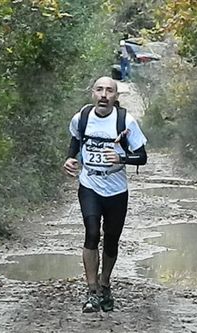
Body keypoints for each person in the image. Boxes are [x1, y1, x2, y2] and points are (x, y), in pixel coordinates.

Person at [63, 76, 147, 313]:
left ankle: (105, 284)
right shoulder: (81, 118)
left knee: (111, 239)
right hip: (89, 184)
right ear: (92, 93)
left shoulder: (125, 121)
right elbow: (76, 141)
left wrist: (121, 158)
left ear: (115, 97)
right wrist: (70, 158)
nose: (103, 95)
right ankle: (91, 292)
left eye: (109, 91)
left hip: (117, 188)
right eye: (99, 90)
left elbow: (142, 156)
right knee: (91, 233)